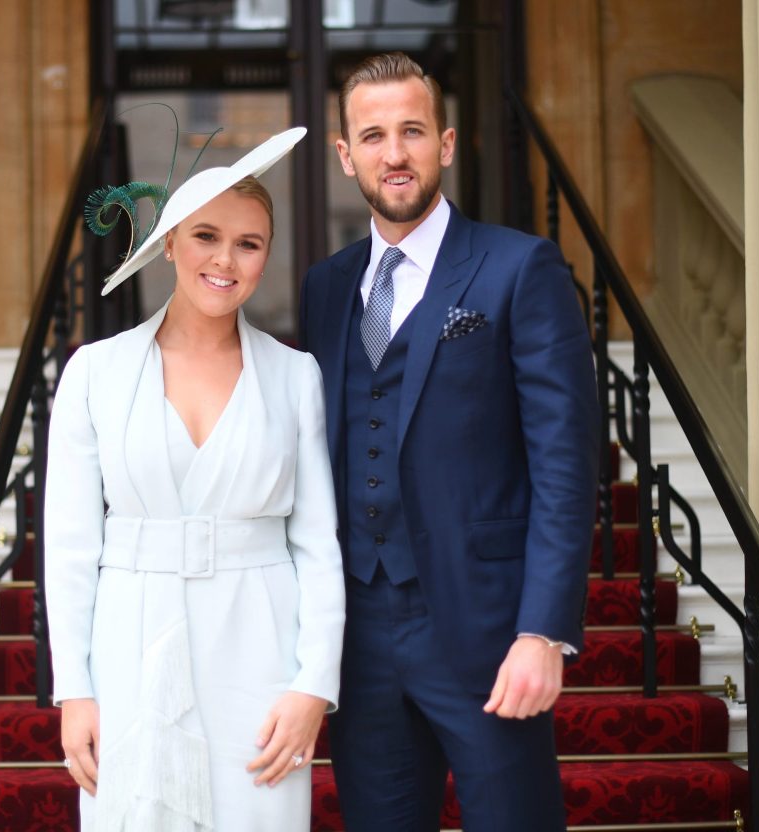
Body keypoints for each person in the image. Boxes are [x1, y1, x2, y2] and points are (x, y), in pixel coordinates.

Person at [298, 53, 601, 831]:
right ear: (345, 154)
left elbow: (567, 466)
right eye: (372, 135)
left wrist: (544, 631)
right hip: (360, 635)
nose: (393, 153)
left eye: (411, 131)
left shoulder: (518, 267)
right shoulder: (325, 288)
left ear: (447, 143)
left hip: (486, 626)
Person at [44, 127, 345, 831]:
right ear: (171, 241)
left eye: (249, 243)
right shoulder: (95, 372)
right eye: (207, 235)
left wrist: (313, 684)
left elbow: (318, 547)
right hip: (129, 643)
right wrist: (74, 692)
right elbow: (68, 550)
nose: (226, 259)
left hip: (260, 650)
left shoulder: (294, 376)